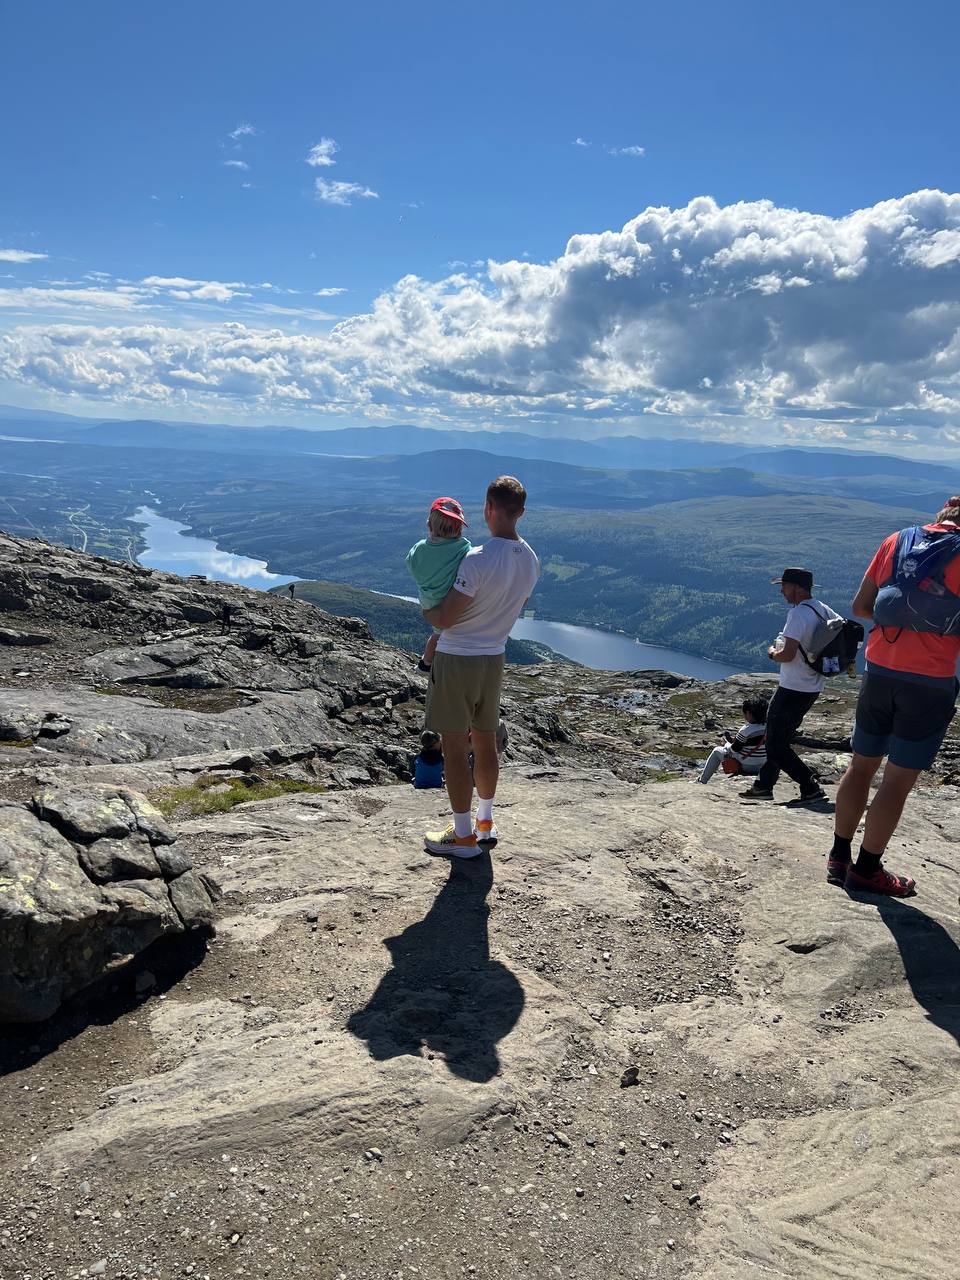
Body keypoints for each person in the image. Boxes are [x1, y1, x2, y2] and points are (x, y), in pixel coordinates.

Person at [826, 497, 960, 896]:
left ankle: (838, 857)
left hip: (880, 671)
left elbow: (861, 606)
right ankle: (867, 870)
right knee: (897, 780)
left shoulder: (897, 541)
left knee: (861, 766)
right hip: (930, 682)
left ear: (940, 517)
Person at [421, 476, 539, 857]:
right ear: (520, 512)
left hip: (458, 658)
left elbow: (447, 618)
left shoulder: (477, 560)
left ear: (489, 509)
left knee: (455, 748)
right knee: (485, 740)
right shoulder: (531, 560)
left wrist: (427, 610)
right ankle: (485, 825)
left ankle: (462, 836)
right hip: (494, 658)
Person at [743, 567, 837, 803]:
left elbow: (787, 654)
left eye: (783, 586)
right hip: (812, 687)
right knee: (779, 739)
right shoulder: (823, 609)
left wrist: (772, 652)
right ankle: (763, 786)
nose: (781, 592)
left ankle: (810, 786)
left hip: (793, 687)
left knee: (774, 744)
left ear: (796, 587)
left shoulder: (798, 614)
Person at [406, 497, 472, 671]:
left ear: (429, 525)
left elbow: (411, 562)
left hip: (428, 599)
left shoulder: (419, 548)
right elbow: (473, 562)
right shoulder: (462, 548)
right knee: (442, 635)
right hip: (449, 600)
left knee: (438, 632)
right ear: (459, 528)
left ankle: (425, 664)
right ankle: (427, 664)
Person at [698, 693, 769, 784]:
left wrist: (727, 744)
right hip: (763, 766)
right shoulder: (769, 727)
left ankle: (702, 780)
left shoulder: (746, 730)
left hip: (747, 766)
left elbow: (734, 750)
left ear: (748, 713)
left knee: (716, 751)